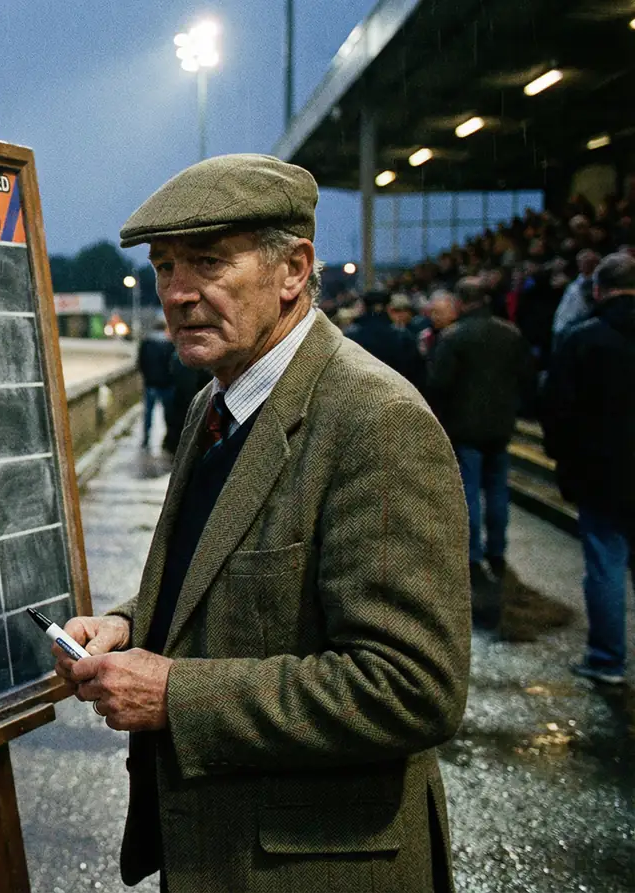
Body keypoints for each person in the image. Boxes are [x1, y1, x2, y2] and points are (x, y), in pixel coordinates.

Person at [54, 154, 469, 892]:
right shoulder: (213, 403)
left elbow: (412, 685)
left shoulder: (376, 422)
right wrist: (128, 624)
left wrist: (174, 694)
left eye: (209, 262)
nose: (177, 293)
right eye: (165, 266)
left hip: (313, 869)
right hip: (222, 853)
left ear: (293, 270)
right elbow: (223, 574)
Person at [541, 253, 635, 685]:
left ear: (597, 290)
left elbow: (557, 409)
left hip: (603, 472)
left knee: (605, 563)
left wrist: (565, 463)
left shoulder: (582, 338)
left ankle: (607, 659)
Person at [425, 282, 533, 585]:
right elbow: (527, 376)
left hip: (464, 427)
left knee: (468, 492)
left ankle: (472, 555)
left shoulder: (454, 337)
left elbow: (439, 384)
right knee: (498, 492)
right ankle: (497, 551)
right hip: (501, 425)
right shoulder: (510, 333)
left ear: (460, 302)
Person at [346, 289, 426, 387]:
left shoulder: (351, 336)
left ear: (364, 307)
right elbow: (417, 371)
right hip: (396, 389)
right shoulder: (402, 336)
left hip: (361, 389)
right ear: (388, 308)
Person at [137, 319, 176, 448]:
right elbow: (174, 364)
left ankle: (146, 439)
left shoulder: (146, 343)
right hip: (167, 384)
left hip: (150, 384)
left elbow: (140, 363)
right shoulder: (170, 344)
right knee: (168, 414)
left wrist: (147, 377)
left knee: (148, 414)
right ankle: (168, 439)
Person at [552, 249, 601, 353]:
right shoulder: (575, 282)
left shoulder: (595, 283)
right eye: (580, 260)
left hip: (576, 328)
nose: (582, 263)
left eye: (586, 260)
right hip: (561, 327)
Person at [419, 289, 458, 357]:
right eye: (432, 312)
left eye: (439, 313)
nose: (434, 317)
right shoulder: (425, 337)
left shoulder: (462, 334)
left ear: (453, 313)